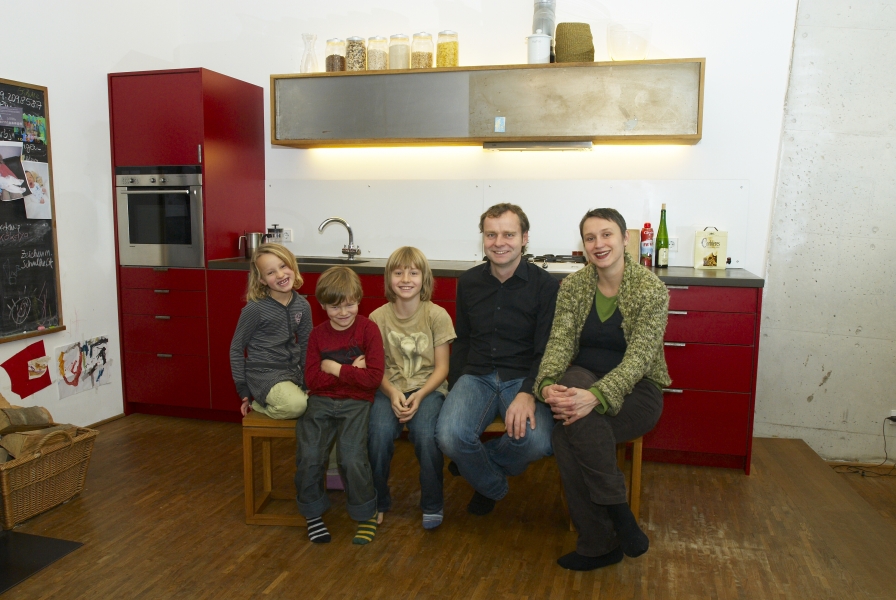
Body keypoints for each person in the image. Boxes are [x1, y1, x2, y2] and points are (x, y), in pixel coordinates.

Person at [535, 208, 670, 572]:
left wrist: (596, 396)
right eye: (590, 237)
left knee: (566, 435)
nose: (599, 244)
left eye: (607, 234)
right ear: (583, 245)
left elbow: (639, 359)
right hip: (582, 380)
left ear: (625, 239)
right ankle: (618, 516)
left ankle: (601, 540)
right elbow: (560, 343)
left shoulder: (650, 289)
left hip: (638, 391)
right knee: (573, 387)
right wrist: (546, 385)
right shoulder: (574, 287)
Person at [436, 203, 559, 516]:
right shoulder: (468, 282)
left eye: (508, 234)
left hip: (522, 376)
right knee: (449, 437)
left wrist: (529, 393)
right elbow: (463, 339)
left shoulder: (546, 286)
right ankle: (492, 483)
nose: (499, 242)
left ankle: (477, 468)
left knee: (538, 442)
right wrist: (455, 386)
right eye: (491, 234)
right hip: (476, 374)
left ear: (524, 238)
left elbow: (547, 349)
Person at [368, 247, 456, 530]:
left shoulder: (437, 315)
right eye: (398, 273)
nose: (405, 279)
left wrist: (419, 395)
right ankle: (377, 500)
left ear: (424, 278)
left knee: (426, 436)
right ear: (388, 279)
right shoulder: (377, 318)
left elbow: (442, 368)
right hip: (388, 389)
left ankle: (432, 503)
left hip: (428, 390)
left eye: (413, 273)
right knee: (378, 434)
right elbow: (375, 368)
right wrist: (393, 393)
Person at [298, 266, 385, 545]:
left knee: (352, 458)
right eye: (335, 307)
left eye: (349, 304)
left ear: (358, 299)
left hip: (357, 403)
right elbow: (312, 379)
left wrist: (335, 368)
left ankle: (366, 514)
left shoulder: (369, 330)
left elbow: (373, 379)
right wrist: (353, 371)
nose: (344, 312)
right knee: (310, 456)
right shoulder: (317, 335)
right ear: (323, 305)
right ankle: (313, 514)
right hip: (320, 402)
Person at [230, 243, 313, 420]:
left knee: (328, 400)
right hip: (264, 374)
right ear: (261, 280)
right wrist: (242, 386)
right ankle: (260, 405)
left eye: (283, 266)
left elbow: (308, 345)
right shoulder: (255, 308)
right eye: (271, 272)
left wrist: (308, 379)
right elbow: (236, 348)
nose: (280, 275)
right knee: (297, 406)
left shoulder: (302, 305)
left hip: (294, 371)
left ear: (292, 265)